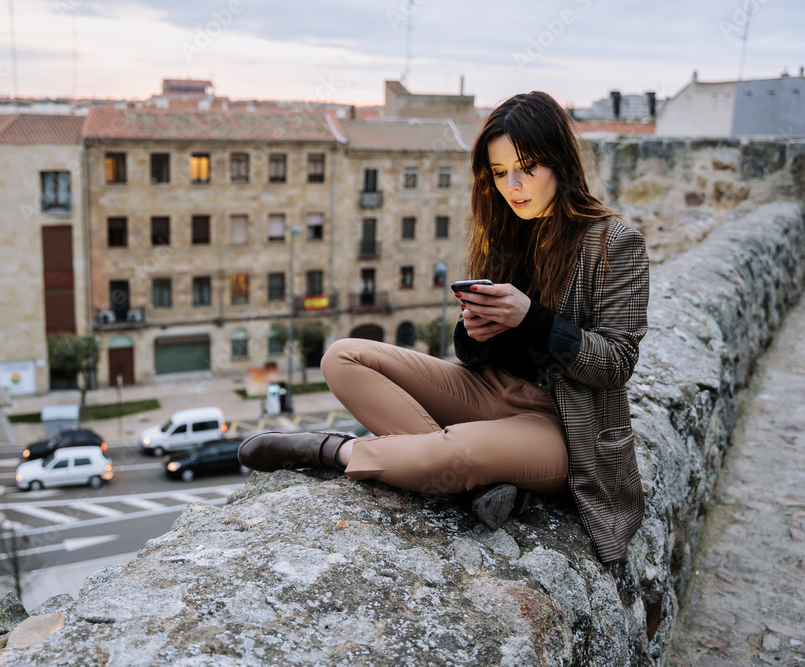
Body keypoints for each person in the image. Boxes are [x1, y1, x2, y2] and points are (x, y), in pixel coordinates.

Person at [239, 91, 650, 563]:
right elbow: (473, 356)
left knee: (452, 455)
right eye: (499, 174)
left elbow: (617, 364)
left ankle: (334, 450)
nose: (513, 186)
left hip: (559, 425)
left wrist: (532, 319)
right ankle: (474, 489)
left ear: (560, 162)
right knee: (343, 356)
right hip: (487, 392)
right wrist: (473, 331)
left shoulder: (614, 243)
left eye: (527, 168)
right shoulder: (505, 228)